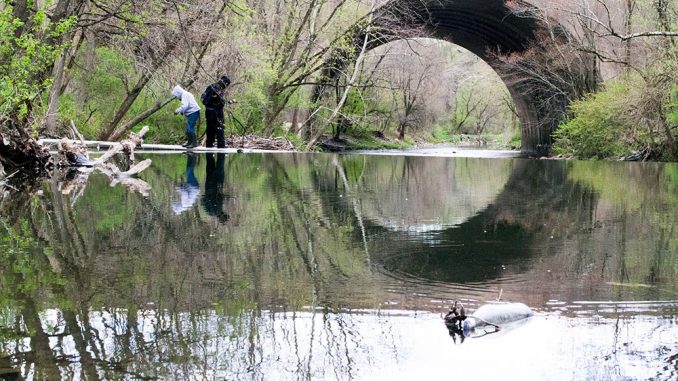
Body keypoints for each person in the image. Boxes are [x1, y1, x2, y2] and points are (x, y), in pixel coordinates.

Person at [201, 75, 231, 148]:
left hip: (208, 111)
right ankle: (221, 145)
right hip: (215, 112)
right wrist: (225, 102)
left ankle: (209, 144)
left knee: (210, 129)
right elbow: (220, 102)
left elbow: (203, 98)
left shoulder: (211, 86)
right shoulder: (216, 88)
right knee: (219, 128)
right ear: (225, 83)